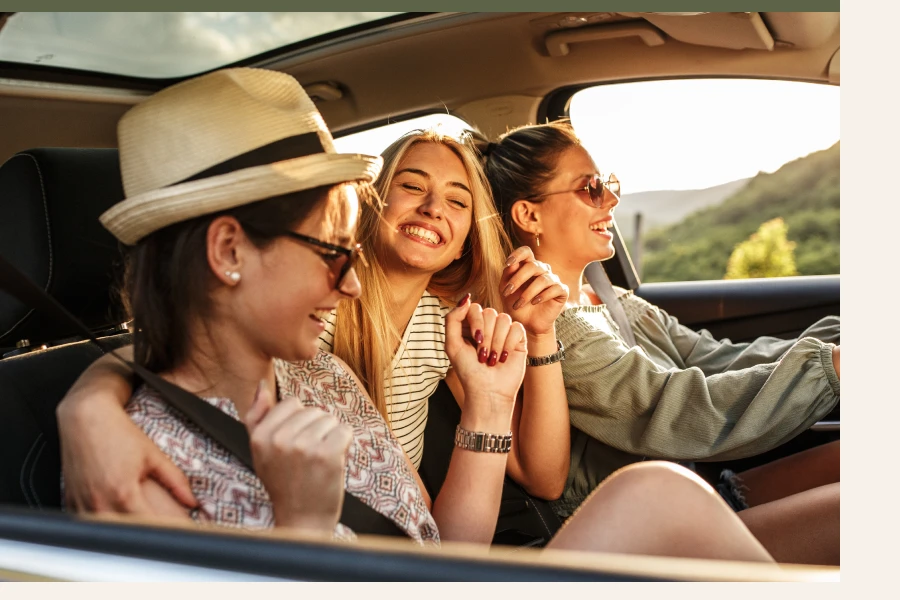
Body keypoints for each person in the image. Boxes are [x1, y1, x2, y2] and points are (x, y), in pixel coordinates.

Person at [64, 66, 780, 563]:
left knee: (660, 493)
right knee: (658, 496)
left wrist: (493, 404)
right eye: (330, 253)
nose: (346, 285)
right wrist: (303, 530)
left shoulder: (323, 378)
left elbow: (439, 551)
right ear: (228, 251)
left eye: (349, 255)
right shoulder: (136, 469)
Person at [482, 119, 840, 566]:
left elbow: (715, 359)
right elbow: (672, 406)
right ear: (529, 215)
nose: (611, 199)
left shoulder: (613, 301)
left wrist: (837, 340)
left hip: (700, 490)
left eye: (607, 184)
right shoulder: (558, 332)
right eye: (591, 188)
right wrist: (830, 368)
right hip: (644, 539)